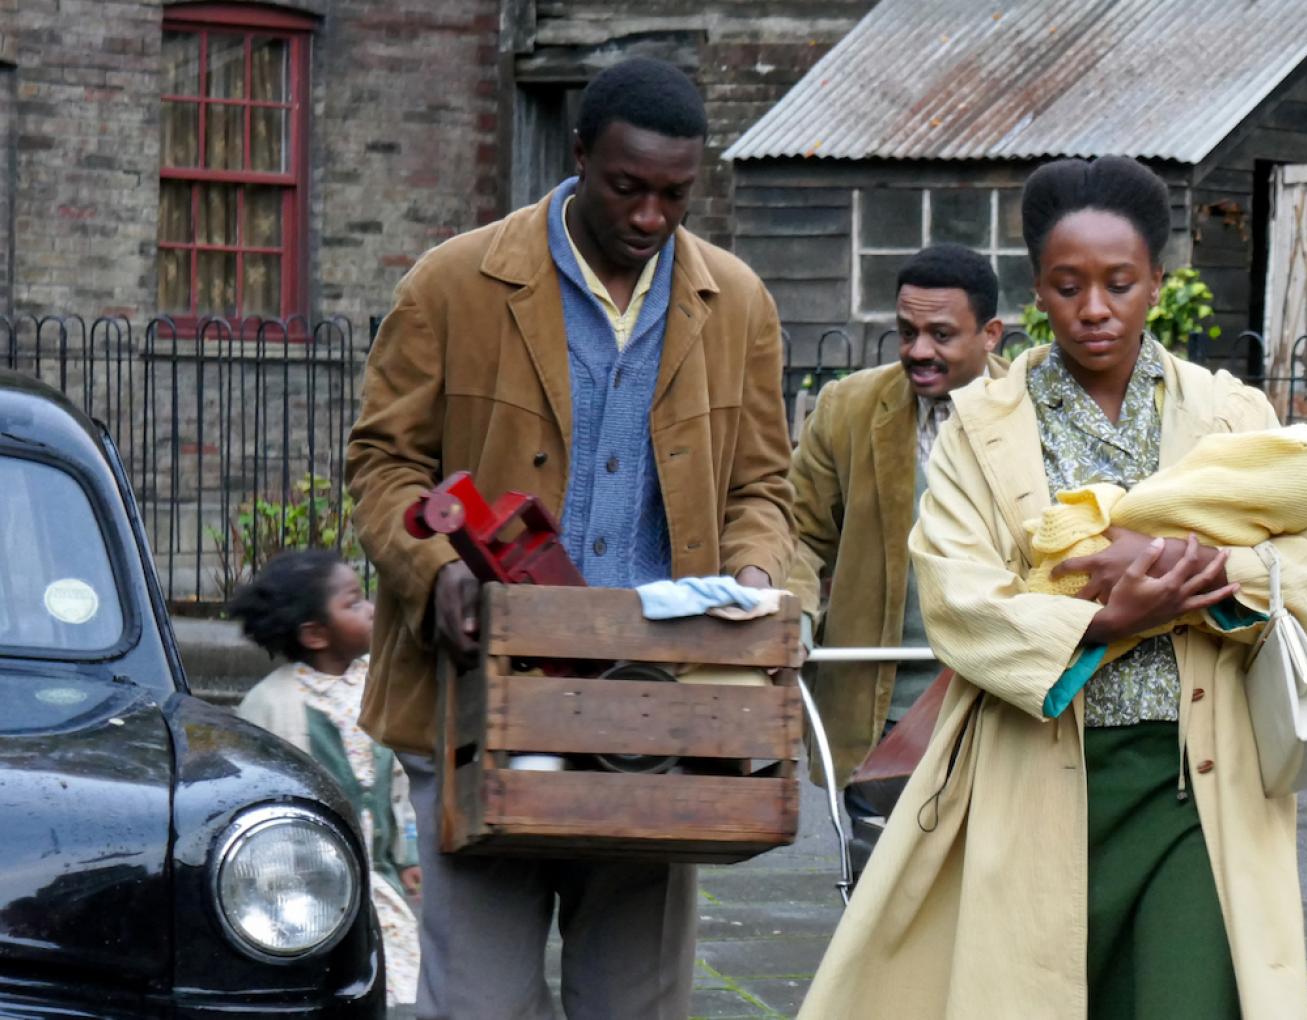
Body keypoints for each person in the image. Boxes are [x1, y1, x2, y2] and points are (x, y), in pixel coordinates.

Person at [797, 156, 1307, 1019]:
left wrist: (1205, 573)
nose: (1096, 309)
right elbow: (957, 598)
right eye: (1069, 285)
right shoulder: (984, 427)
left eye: (1120, 283)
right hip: (1035, 779)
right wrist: (1106, 617)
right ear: (1038, 292)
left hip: (1192, 783)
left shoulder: (1230, 412)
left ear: (1157, 283)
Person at [345, 57, 794, 1020]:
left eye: (674, 195)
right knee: (480, 1003)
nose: (649, 217)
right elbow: (384, 467)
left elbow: (762, 484)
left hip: (655, 709)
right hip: (477, 704)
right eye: (627, 187)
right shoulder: (455, 283)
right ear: (579, 155)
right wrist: (435, 572)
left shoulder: (740, 303)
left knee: (634, 1004)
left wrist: (757, 577)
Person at [784, 243, 1007, 866]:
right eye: (906, 332)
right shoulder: (849, 408)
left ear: (990, 334)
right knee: (876, 900)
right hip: (877, 716)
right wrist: (794, 614)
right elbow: (797, 531)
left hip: (997, 705)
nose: (918, 351)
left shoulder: (1034, 412)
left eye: (942, 334)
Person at [227, 550, 420, 1008]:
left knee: (395, 981)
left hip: (378, 878)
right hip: (304, 888)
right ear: (315, 634)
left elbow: (399, 779)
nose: (371, 608)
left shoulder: (378, 684)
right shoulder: (271, 704)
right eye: (353, 603)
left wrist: (407, 849)